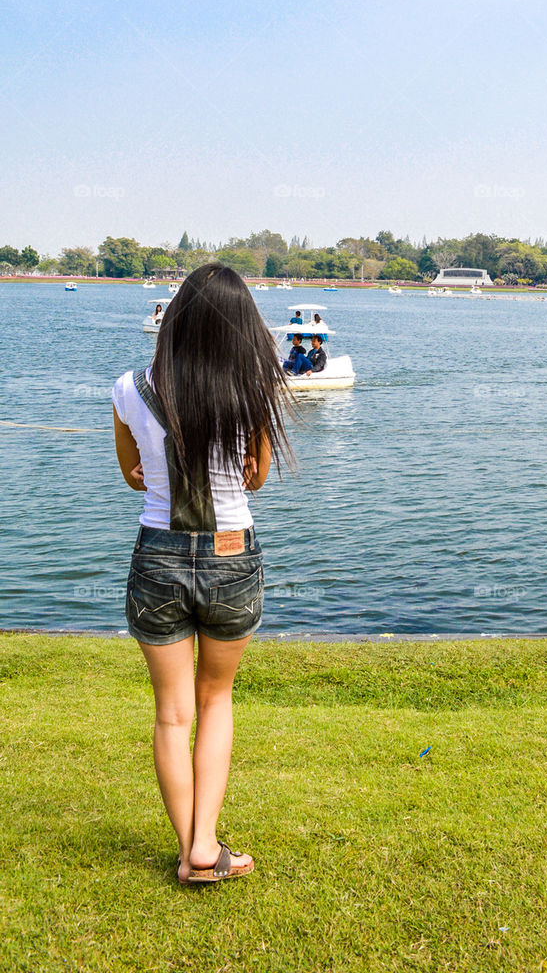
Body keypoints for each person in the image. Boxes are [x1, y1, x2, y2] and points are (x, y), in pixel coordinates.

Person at [112, 263, 294, 885]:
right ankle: (204, 847)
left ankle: (193, 848)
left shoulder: (129, 387)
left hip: (157, 556)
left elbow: (132, 471)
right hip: (229, 556)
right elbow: (255, 479)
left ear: (176, 321)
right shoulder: (251, 392)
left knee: (171, 713)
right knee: (216, 700)